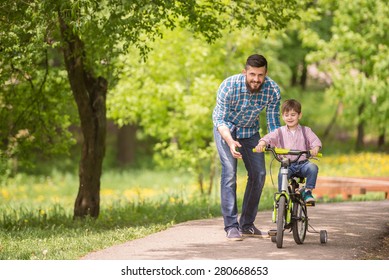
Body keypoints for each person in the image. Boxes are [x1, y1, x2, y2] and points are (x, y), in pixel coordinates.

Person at [212, 54, 281, 241]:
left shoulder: (272, 90)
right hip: (227, 129)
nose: (256, 79)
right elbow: (219, 119)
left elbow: (273, 123)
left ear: (266, 74)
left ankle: (247, 225)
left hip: (250, 132)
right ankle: (231, 226)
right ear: (245, 72)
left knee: (259, 174)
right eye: (252, 74)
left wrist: (273, 143)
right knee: (229, 174)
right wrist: (230, 141)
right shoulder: (228, 86)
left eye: (260, 75)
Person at [255, 99, 322, 203]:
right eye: (286, 115)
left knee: (313, 168)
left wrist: (315, 149)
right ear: (282, 116)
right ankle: (283, 196)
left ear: (299, 115)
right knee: (282, 174)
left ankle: (307, 191)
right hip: (287, 165)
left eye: (293, 114)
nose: (290, 117)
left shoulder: (306, 131)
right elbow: (269, 138)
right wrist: (262, 144)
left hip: (303, 164)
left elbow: (315, 141)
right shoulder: (279, 132)